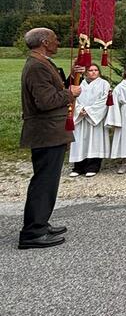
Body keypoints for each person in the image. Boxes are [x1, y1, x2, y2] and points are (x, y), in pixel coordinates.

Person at [18, 28, 81, 249]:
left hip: (51, 131)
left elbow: (55, 89)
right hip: (46, 132)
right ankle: (33, 233)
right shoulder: (37, 66)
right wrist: (71, 93)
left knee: (47, 180)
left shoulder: (41, 62)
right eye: (54, 39)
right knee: (44, 182)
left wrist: (72, 77)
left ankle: (41, 224)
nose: (58, 42)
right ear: (44, 42)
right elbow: (45, 101)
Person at [68, 63, 111, 178]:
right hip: (80, 118)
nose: (93, 72)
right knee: (79, 142)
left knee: (95, 141)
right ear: (86, 72)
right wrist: (79, 109)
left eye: (96, 70)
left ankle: (93, 166)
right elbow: (74, 98)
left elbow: (104, 100)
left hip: (95, 117)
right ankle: (78, 167)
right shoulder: (79, 83)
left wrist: (89, 110)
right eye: (91, 70)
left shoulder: (104, 84)